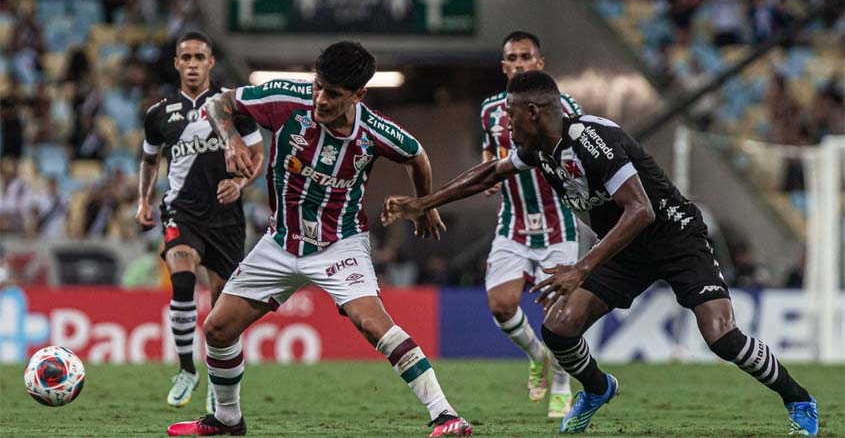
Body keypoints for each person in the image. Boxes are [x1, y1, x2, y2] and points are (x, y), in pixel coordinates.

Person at [382, 71, 818, 436]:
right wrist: (425, 202)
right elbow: (489, 173)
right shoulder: (538, 148)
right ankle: (596, 387)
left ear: (533, 112)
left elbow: (641, 210)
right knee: (559, 328)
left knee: (721, 335)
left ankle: (798, 398)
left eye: (511, 115)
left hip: (675, 239)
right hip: (624, 250)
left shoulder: (591, 137)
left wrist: (580, 268)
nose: (506, 124)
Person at [167, 41, 472, 437]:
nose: (321, 99)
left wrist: (426, 205)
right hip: (281, 241)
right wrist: (232, 139)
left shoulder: (374, 131)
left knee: (372, 322)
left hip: (339, 244)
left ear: (359, 95)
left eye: (334, 94)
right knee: (218, 329)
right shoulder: (286, 98)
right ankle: (227, 420)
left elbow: (416, 155)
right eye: (319, 86)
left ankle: (446, 415)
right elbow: (219, 103)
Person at [136, 31, 264, 413]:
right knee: (182, 274)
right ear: (176, 63)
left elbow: (257, 154)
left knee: (222, 310)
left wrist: (240, 183)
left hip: (225, 219)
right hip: (181, 211)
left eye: (199, 57)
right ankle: (185, 369)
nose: (192, 63)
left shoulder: (231, 106)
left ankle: (215, 382)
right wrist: (143, 200)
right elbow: (150, 160)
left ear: (210, 63)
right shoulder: (159, 114)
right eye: (186, 57)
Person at [479, 31, 580, 417]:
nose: (519, 63)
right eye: (512, 58)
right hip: (514, 222)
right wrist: (488, 174)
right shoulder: (491, 110)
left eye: (526, 57)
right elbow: (489, 150)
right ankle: (538, 356)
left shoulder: (566, 106)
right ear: (504, 66)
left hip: (559, 223)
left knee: (559, 316)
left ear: (540, 64)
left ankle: (561, 383)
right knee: (501, 305)